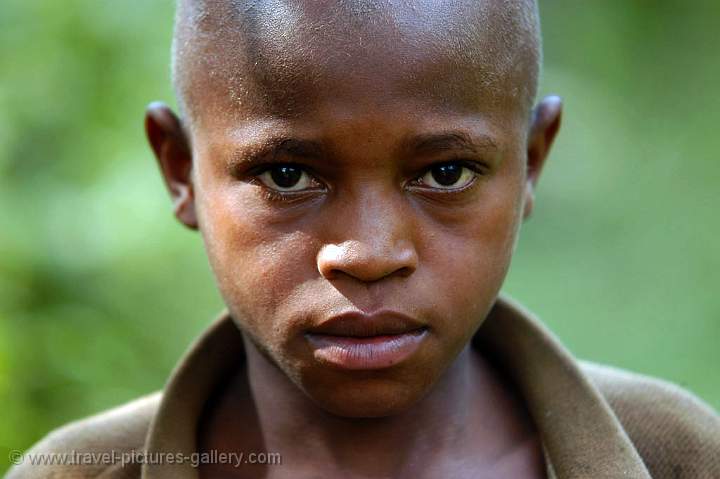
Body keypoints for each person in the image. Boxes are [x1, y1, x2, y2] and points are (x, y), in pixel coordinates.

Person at [7, 1, 719, 478]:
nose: (369, 252)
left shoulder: (677, 455)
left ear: (531, 159)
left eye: (446, 172)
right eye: (287, 175)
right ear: (179, 168)